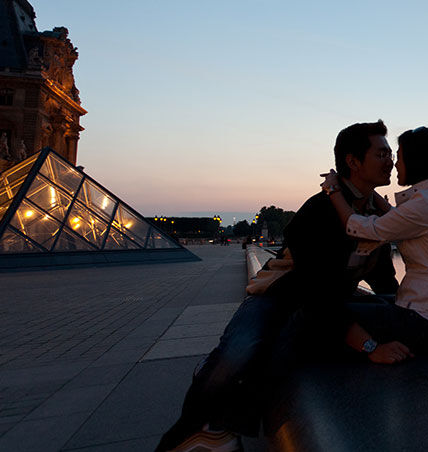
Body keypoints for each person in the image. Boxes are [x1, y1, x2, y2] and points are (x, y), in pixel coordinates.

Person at [156, 121, 399, 452]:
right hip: (278, 297)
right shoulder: (318, 210)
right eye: (382, 153)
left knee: (251, 354)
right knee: (240, 350)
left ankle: (216, 413)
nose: (391, 160)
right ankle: (183, 435)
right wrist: (370, 346)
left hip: (316, 304)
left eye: (392, 153)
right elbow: (316, 292)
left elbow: (383, 280)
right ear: (353, 162)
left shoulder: (372, 214)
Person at [319, 126, 428, 365]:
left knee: (324, 312)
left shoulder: (426, 203)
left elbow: (363, 227)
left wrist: (332, 189)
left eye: (397, 157)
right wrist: (371, 196)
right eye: (386, 156)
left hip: (424, 324)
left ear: (415, 161)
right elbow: (398, 220)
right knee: (362, 304)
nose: (394, 164)